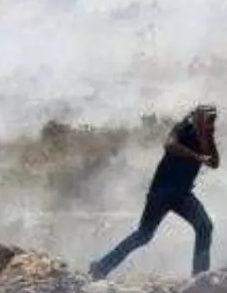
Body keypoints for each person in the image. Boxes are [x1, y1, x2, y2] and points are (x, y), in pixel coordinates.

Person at [89, 104, 220, 280]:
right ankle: (101, 267)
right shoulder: (183, 128)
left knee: (205, 226)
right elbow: (169, 145)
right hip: (161, 192)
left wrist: (207, 137)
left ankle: (200, 278)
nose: (210, 122)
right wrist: (196, 156)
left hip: (182, 194)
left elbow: (214, 163)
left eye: (212, 119)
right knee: (143, 235)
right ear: (196, 116)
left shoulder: (207, 136)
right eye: (207, 118)